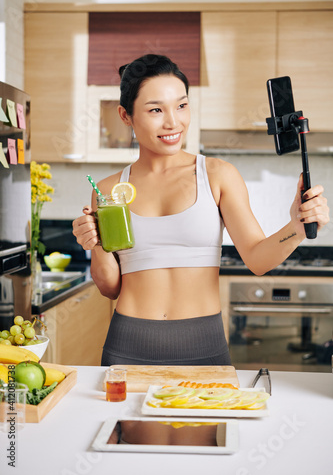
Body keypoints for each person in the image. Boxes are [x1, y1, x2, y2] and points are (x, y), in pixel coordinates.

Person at [72, 54, 330, 367]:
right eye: (156, 109)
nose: (173, 122)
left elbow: (258, 259)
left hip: (203, 344)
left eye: (181, 105)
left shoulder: (218, 175)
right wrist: (95, 245)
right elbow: (110, 288)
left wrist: (297, 227)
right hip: (128, 343)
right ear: (126, 116)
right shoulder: (110, 190)